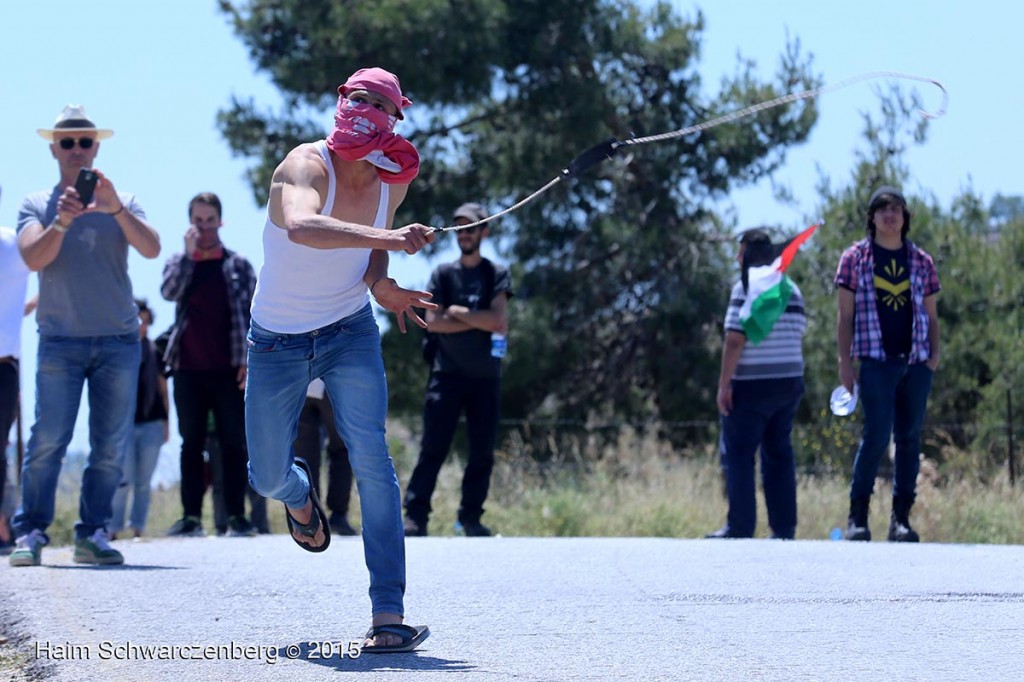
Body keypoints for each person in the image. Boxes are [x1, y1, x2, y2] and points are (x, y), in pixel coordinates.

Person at [245, 67, 433, 652]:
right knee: (267, 476)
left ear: (394, 120)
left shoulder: (389, 182)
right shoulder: (302, 165)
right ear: (339, 101)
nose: (367, 109)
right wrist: (387, 241)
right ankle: (300, 496)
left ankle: (388, 612)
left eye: (381, 104)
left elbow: (372, 259)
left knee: (372, 457)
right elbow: (302, 226)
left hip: (349, 329)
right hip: (276, 339)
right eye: (359, 98)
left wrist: (385, 286)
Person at [9, 105, 161, 567]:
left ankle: (93, 532)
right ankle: (31, 532)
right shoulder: (36, 204)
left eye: (85, 142)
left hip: (117, 341)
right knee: (47, 440)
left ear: (97, 148)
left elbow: (152, 248)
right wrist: (62, 221)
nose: (77, 150)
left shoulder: (123, 200)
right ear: (53, 148)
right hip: (60, 339)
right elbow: (33, 258)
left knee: (110, 444)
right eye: (68, 142)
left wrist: (115, 209)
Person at [836, 185, 940, 542]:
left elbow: (932, 314)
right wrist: (845, 364)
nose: (889, 215)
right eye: (882, 209)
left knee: (909, 439)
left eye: (896, 209)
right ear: (872, 217)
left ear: (904, 217)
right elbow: (844, 316)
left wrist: (933, 357)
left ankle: (901, 520)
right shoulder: (854, 258)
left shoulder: (921, 261)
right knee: (876, 435)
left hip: (915, 363)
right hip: (875, 361)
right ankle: (857, 517)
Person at [403, 202, 512, 538]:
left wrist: (458, 311)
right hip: (446, 375)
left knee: (481, 451)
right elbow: (433, 324)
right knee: (432, 448)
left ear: (484, 231)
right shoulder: (442, 274)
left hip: (485, 377)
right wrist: (474, 319)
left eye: (471, 228)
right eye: (460, 228)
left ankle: (470, 518)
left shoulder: (496, 274)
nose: (464, 234)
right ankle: (415, 516)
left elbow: (498, 322)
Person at [161, 192, 258, 538]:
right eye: (198, 221)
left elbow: (254, 315)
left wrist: (250, 358)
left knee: (234, 442)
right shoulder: (179, 262)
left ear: (221, 221)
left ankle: (236, 516)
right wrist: (189, 258)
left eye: (210, 220)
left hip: (229, 367)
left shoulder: (238, 264)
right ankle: (190, 517)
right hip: (187, 367)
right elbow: (169, 292)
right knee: (192, 443)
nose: (204, 228)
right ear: (190, 223)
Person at [707, 229, 806, 540]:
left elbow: (735, 339)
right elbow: (799, 331)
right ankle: (784, 529)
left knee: (738, 454)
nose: (737, 258)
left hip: (752, 385)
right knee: (779, 454)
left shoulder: (746, 288)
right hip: (789, 383)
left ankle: (740, 526)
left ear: (748, 256)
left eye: (740, 252)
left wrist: (724, 384)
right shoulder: (791, 289)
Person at [110, 299, 169, 539]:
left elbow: (163, 389)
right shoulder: (117, 352)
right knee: (122, 480)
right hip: (123, 425)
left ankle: (138, 528)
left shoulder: (156, 351)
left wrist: (167, 424)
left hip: (152, 424)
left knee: (143, 481)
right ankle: (113, 528)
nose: (140, 325)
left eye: (144, 321)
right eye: (136, 320)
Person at [0, 184, 34, 548]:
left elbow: (49, 263)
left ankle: (2, 527)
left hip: (3, 365)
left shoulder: (14, 243)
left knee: (0, 448)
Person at [293, 378, 358, 536]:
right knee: (341, 447)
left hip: (300, 383)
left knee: (305, 454)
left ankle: (310, 514)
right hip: (332, 382)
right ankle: (338, 514)